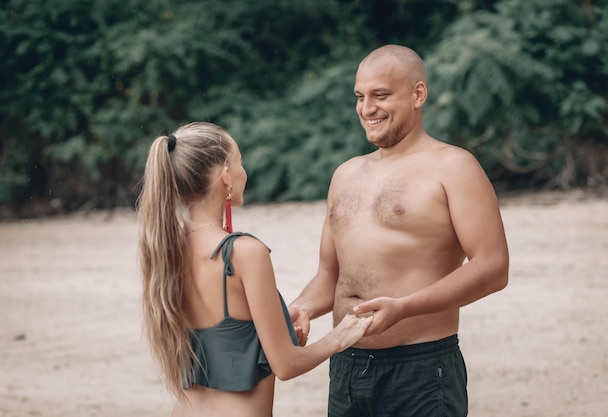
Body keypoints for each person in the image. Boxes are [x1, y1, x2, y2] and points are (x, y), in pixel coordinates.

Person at [288, 44, 510, 417]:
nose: (367, 108)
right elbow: (330, 275)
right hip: (345, 365)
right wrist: (301, 307)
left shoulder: (454, 167)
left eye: (381, 95)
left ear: (417, 94)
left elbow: (492, 267)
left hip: (421, 370)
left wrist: (404, 308)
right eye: (360, 97)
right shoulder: (345, 174)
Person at [136, 121, 373, 417]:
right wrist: (340, 336)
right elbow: (286, 366)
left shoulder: (166, 250)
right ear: (226, 176)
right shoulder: (244, 252)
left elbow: (223, 342)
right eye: (239, 162)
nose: (242, 171)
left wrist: (276, 332)